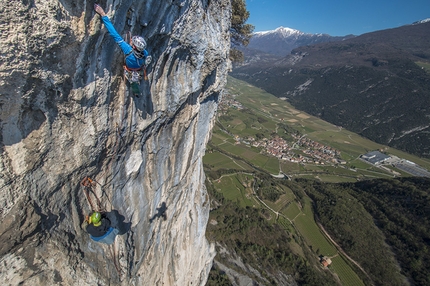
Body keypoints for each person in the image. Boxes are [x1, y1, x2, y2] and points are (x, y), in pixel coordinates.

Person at [94, 4, 151, 72]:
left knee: (127, 52)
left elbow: (115, 34)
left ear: (134, 47)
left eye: (132, 41)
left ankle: (127, 69)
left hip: (129, 66)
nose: (132, 40)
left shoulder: (128, 50)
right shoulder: (145, 53)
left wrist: (103, 14)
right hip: (138, 67)